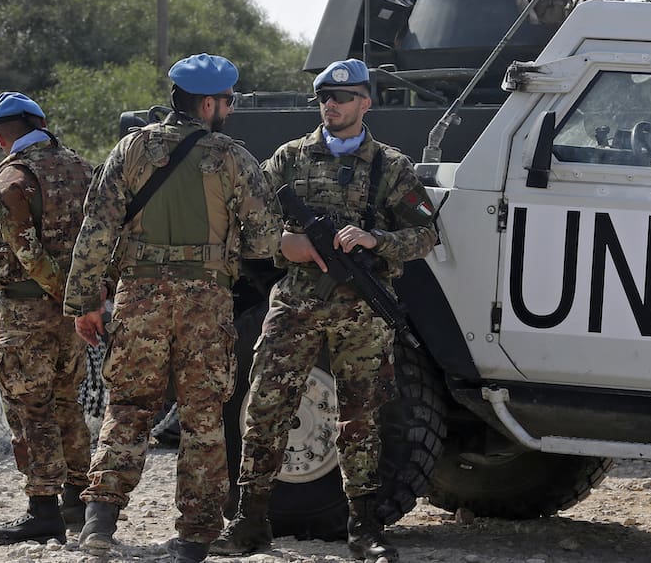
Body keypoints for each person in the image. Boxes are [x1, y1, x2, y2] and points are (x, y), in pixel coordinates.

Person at [212, 58, 438, 563]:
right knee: (266, 410)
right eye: (323, 97)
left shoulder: (392, 167)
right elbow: (244, 223)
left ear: (366, 103)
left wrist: (375, 239)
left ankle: (364, 527)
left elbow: (426, 235)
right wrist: (284, 244)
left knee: (360, 420)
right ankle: (249, 521)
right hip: (294, 305)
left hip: (361, 311)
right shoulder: (288, 160)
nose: (330, 105)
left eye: (342, 97)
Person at [65, 53, 280, 563]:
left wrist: (84, 302)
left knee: (129, 407)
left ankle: (99, 524)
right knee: (204, 418)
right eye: (226, 101)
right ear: (208, 103)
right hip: (206, 301)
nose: (228, 109)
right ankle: (194, 538)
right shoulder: (232, 157)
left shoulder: (131, 148)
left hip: (139, 297)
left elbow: (96, 230)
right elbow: (265, 239)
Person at [0, 92, 99, 545]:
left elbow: (25, 251)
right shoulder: (84, 169)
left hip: (29, 310)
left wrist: (62, 293)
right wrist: (83, 298)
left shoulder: (14, 177)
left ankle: (42, 508)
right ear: (42, 122)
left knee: (31, 406)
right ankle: (78, 503)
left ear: (1, 134)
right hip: (76, 313)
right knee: (67, 401)